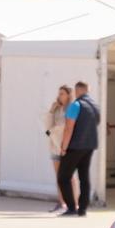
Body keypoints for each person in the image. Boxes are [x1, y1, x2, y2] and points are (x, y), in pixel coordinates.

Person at [56, 80, 100, 217]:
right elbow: (96, 123)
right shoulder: (95, 106)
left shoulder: (76, 104)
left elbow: (69, 127)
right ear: (87, 90)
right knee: (84, 177)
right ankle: (82, 209)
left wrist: (64, 147)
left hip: (75, 146)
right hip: (89, 146)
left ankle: (71, 208)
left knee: (63, 176)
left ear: (77, 91)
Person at [45, 85, 72, 215]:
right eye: (59, 93)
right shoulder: (56, 109)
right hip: (55, 146)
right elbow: (47, 128)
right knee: (58, 177)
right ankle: (61, 202)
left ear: (68, 95)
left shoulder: (71, 109)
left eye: (62, 93)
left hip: (67, 147)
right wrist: (51, 111)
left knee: (69, 177)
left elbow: (68, 128)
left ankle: (71, 203)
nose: (60, 96)